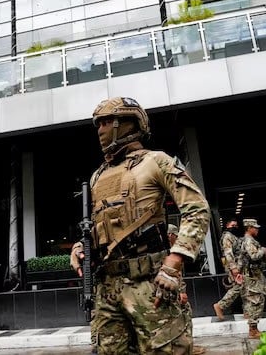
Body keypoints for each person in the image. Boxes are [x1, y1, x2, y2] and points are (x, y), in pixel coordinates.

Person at [70, 96, 211, 354]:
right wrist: (80, 247)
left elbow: (197, 208)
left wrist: (175, 261)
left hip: (150, 283)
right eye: (97, 123)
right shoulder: (97, 176)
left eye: (106, 121)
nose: (99, 129)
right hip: (107, 289)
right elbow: (98, 225)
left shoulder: (156, 161)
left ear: (128, 123)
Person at [237, 219, 266, 339]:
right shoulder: (248, 241)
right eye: (255, 228)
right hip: (252, 276)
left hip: (256, 274)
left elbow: (241, 259)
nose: (257, 229)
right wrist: (263, 250)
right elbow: (254, 256)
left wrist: (239, 272)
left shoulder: (249, 241)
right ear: (249, 228)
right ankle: (253, 329)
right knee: (256, 302)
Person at [167, 224, 206, 355]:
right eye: (176, 236)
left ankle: (187, 345)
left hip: (176, 291)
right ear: (170, 235)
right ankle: (184, 347)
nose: (177, 238)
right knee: (182, 317)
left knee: (185, 315)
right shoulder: (166, 253)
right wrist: (180, 293)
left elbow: (179, 275)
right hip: (170, 293)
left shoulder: (174, 251)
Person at [212, 219, 244, 321]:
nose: (235, 226)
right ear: (227, 225)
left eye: (236, 225)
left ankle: (248, 312)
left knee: (244, 288)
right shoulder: (227, 237)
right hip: (234, 267)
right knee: (239, 286)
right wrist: (233, 268)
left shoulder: (234, 236)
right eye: (232, 225)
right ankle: (220, 305)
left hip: (239, 266)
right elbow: (228, 253)